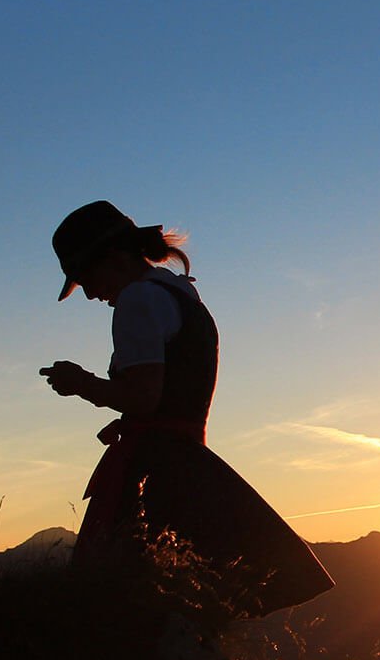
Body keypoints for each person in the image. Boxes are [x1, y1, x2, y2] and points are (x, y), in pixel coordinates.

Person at [40, 200, 332, 615]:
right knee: (184, 600)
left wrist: (81, 384)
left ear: (114, 259)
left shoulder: (138, 301)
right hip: (188, 461)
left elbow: (144, 398)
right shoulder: (181, 294)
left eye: (86, 277)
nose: (88, 293)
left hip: (154, 468)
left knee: (112, 603)